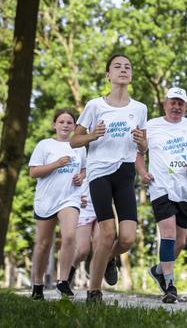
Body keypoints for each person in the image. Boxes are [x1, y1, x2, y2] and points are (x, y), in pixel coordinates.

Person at [71, 53, 148, 303]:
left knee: (126, 238)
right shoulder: (95, 105)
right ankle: (94, 292)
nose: (123, 70)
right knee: (107, 233)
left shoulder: (140, 108)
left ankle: (108, 258)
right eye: (117, 66)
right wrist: (92, 135)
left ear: (131, 75)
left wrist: (143, 144)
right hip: (99, 173)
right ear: (108, 75)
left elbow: (144, 147)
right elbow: (74, 140)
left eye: (127, 66)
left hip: (125, 173)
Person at [138, 87, 187, 303]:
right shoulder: (151, 126)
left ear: (185, 107)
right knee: (167, 234)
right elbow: (138, 154)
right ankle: (170, 285)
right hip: (161, 187)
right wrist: (142, 172)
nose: (176, 107)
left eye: (181, 104)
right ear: (165, 104)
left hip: (186, 190)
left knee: (179, 243)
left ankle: (159, 270)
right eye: (173, 102)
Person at [29, 108, 86, 300]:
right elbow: (33, 172)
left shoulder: (79, 146)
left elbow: (84, 169)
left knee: (69, 236)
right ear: (54, 124)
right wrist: (56, 164)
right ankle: (37, 285)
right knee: (43, 244)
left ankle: (62, 282)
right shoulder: (45, 145)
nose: (65, 125)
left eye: (69, 122)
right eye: (61, 122)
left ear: (74, 126)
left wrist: (80, 177)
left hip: (69, 197)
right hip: (46, 199)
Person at [67, 183, 97, 287]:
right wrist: (74, 197)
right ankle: (68, 271)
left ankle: (95, 289)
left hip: (103, 206)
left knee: (100, 246)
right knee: (83, 250)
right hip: (84, 208)